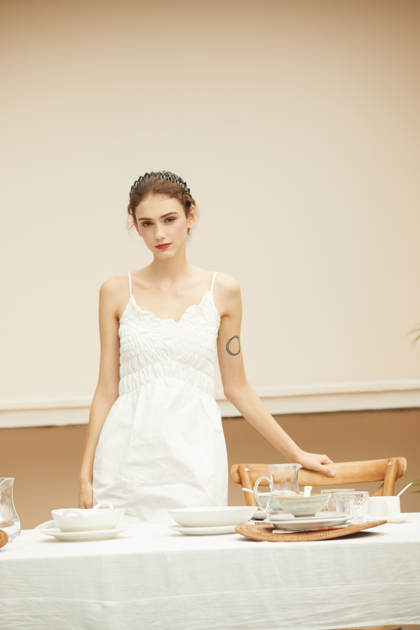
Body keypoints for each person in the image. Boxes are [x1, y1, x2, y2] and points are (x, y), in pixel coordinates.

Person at [79, 170, 335, 523]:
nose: (159, 233)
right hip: (125, 458)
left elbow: (237, 387)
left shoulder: (223, 291)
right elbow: (106, 390)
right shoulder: (115, 292)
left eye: (169, 219)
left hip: (195, 456)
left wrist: (296, 453)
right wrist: (85, 473)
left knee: (195, 550)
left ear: (191, 216)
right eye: (147, 223)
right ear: (136, 226)